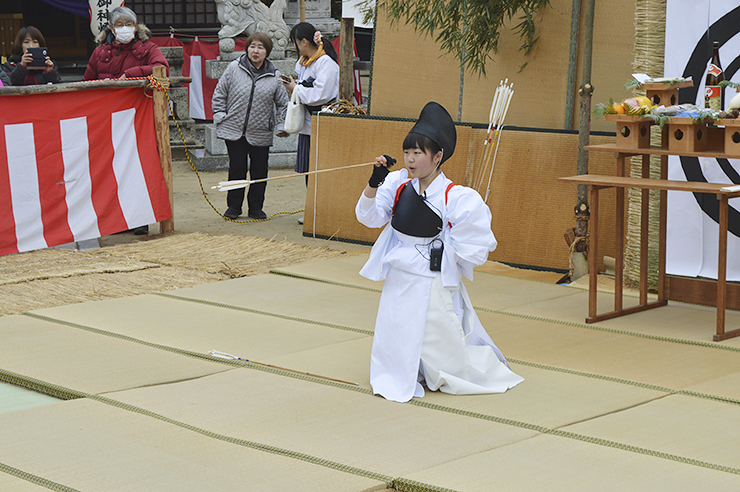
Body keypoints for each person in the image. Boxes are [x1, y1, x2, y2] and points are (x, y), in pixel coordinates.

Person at [355, 102, 524, 403]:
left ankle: (432, 371)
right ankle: (401, 372)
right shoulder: (396, 184)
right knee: (395, 329)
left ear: (437, 156)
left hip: (430, 277)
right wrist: (373, 183)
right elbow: (368, 218)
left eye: (418, 153)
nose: (410, 159)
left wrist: (446, 250)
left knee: (435, 341)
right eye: (408, 152)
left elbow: (473, 246)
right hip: (399, 273)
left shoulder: (456, 197)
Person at [84, 6, 169, 235]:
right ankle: (114, 221)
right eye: (119, 24)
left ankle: (139, 219)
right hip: (105, 120)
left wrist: (130, 75)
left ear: (136, 26)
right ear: (111, 28)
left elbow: (162, 69)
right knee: (109, 170)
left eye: (128, 24)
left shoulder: (149, 48)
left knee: (137, 168)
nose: (124, 28)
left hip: (136, 119)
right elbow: (86, 83)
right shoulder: (99, 53)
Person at [212, 32, 290, 220]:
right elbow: (219, 93)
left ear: (267, 52)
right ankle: (234, 207)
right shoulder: (233, 68)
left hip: (261, 131)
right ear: (247, 48)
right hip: (234, 129)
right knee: (237, 169)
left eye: (260, 47)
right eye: (252, 46)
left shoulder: (274, 75)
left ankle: (256, 208)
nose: (255, 51)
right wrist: (220, 115)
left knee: (259, 171)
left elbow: (283, 103)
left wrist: (281, 125)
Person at [282, 22, 339, 224]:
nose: (296, 47)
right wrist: (296, 86)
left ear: (304, 42)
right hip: (309, 122)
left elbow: (321, 95)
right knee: (308, 169)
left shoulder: (327, 64)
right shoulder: (306, 61)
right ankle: (313, 209)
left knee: (320, 169)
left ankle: (323, 212)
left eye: (296, 43)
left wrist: (295, 89)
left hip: (323, 121)